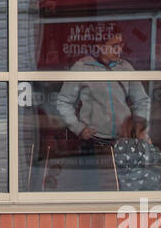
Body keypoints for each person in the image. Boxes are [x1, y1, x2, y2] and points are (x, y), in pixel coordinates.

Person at [53, 25, 151, 189]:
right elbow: (64, 101)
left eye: (121, 45)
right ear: (99, 46)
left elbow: (142, 100)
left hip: (123, 143)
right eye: (114, 45)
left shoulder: (125, 67)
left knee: (125, 187)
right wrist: (78, 128)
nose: (119, 49)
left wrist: (137, 127)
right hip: (94, 142)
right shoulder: (83, 67)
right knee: (95, 189)